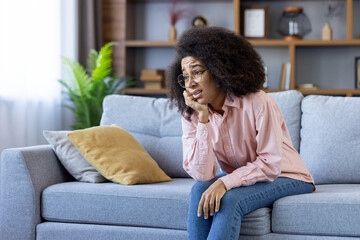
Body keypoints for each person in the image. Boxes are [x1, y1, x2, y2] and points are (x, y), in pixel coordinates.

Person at [166, 26, 315, 240]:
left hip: (289, 176)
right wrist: (203, 120)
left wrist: (225, 182)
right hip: (249, 177)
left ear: (219, 70)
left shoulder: (257, 102)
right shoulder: (192, 113)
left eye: (197, 72)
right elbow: (203, 175)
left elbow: (270, 164)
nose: (190, 84)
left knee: (229, 199)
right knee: (199, 191)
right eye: (185, 76)